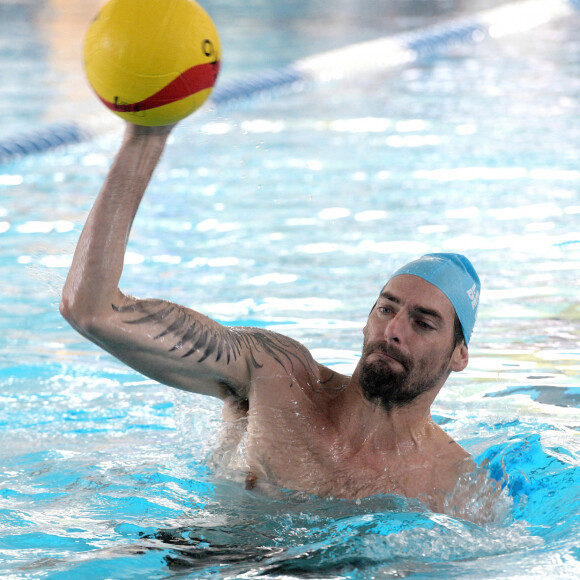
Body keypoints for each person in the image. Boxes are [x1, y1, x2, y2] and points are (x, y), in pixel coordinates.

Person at [60, 122, 488, 517]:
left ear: (459, 355)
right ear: (365, 320)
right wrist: (146, 136)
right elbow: (92, 310)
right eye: (386, 308)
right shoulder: (276, 374)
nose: (393, 330)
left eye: (423, 323)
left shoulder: (459, 489)